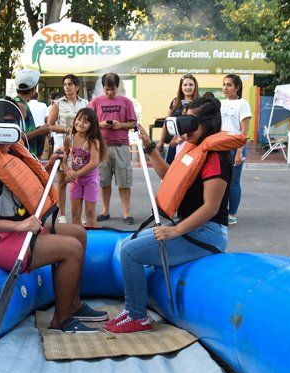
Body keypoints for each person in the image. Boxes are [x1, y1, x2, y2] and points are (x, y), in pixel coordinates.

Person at [0, 98, 107, 333]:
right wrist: (19, 226)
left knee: (78, 233)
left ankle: (73, 304)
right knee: (71, 248)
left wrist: (50, 165)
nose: (5, 137)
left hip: (15, 228)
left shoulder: (11, 153)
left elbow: (22, 185)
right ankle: (62, 320)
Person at [105, 96, 243, 333]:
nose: (186, 130)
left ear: (208, 124)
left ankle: (138, 317)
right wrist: (150, 147)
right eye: (184, 122)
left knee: (130, 252)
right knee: (128, 244)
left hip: (208, 233)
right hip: (190, 227)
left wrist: (175, 231)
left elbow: (211, 207)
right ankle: (132, 308)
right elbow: (170, 177)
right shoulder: (193, 148)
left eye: (191, 124)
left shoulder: (216, 157)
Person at [90, 72, 138, 225]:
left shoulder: (126, 102)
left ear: (118, 87)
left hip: (121, 146)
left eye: (113, 89)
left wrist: (120, 125)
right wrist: (100, 124)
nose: (110, 92)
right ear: (103, 87)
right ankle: (105, 211)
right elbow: (88, 121)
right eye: (107, 89)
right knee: (103, 181)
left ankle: (126, 213)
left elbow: (133, 123)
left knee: (124, 181)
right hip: (101, 147)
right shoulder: (96, 102)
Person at [47, 74, 89, 223]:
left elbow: (91, 122)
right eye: (65, 84)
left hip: (81, 145)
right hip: (62, 144)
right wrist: (67, 130)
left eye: (70, 84)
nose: (67, 87)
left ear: (77, 87)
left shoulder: (85, 103)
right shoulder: (57, 103)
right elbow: (49, 125)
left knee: (79, 180)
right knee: (62, 181)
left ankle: (79, 215)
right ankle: (62, 215)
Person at [64, 108, 107, 228]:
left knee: (90, 212)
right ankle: (77, 236)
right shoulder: (69, 138)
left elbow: (94, 162)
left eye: (85, 122)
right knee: (75, 212)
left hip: (90, 181)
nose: (81, 123)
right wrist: (67, 170)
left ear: (91, 125)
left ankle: (93, 235)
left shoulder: (93, 141)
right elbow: (64, 158)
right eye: (79, 119)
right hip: (75, 181)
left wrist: (75, 174)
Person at [221, 74, 252, 225]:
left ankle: (232, 214)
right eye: (224, 84)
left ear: (237, 87)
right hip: (221, 147)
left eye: (229, 85)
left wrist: (239, 152)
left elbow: (244, 132)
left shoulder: (243, 104)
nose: (225, 88)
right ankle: (221, 212)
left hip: (235, 148)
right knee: (221, 182)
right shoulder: (220, 103)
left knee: (233, 182)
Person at [162, 74, 200, 163]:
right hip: (174, 143)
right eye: (185, 85)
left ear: (195, 87)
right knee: (170, 169)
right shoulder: (175, 102)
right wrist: (161, 142)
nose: (188, 87)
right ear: (181, 87)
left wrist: (183, 136)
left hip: (191, 145)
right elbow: (166, 122)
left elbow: (201, 125)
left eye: (191, 85)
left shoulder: (199, 103)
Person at [13, 69, 50, 158]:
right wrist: (39, 131)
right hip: (23, 156)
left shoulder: (19, 102)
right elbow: (16, 137)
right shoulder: (21, 105)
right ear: (33, 89)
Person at [27, 89, 48, 159]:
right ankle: (38, 165)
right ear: (37, 97)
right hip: (41, 131)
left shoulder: (26, 105)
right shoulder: (43, 105)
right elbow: (47, 119)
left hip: (30, 132)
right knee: (39, 155)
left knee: (29, 154)